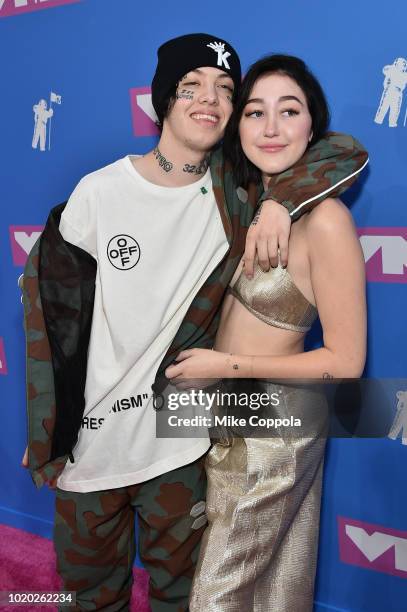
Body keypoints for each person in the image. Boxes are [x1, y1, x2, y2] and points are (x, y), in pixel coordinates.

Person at [21, 35, 367, 612]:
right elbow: (50, 321)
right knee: (84, 597)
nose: (208, 100)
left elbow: (343, 150)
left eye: (225, 90)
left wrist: (283, 200)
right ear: (162, 100)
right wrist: (44, 426)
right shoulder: (99, 192)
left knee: (188, 596)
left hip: (180, 442)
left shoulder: (239, 190)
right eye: (191, 86)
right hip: (93, 449)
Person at [165, 55, 367, 611]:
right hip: (229, 415)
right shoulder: (243, 202)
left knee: (217, 597)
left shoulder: (325, 221)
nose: (271, 127)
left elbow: (347, 361)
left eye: (289, 110)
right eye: (255, 112)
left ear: (312, 126)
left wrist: (224, 367)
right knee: (276, 590)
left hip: (275, 430)